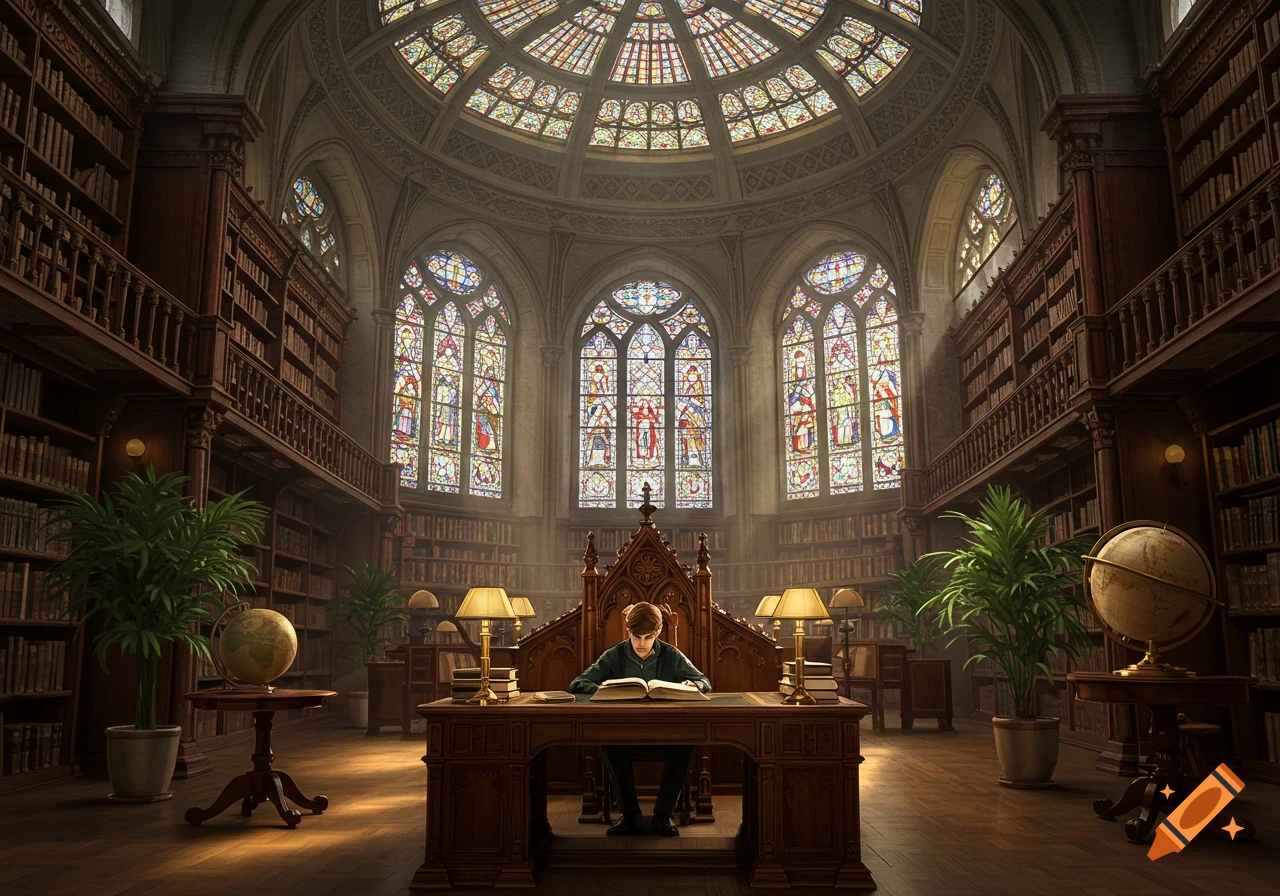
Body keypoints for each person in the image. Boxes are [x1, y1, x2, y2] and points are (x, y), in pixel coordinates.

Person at [569, 601, 711, 838]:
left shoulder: (671, 654)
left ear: (657, 633)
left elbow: (704, 681)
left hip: (665, 730)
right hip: (624, 729)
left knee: (687, 744)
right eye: (636, 637)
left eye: (648, 637)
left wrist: (693, 684)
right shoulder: (614, 654)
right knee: (610, 745)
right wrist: (603, 688)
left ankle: (663, 816)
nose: (642, 644)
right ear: (628, 632)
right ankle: (630, 817)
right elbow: (577, 683)